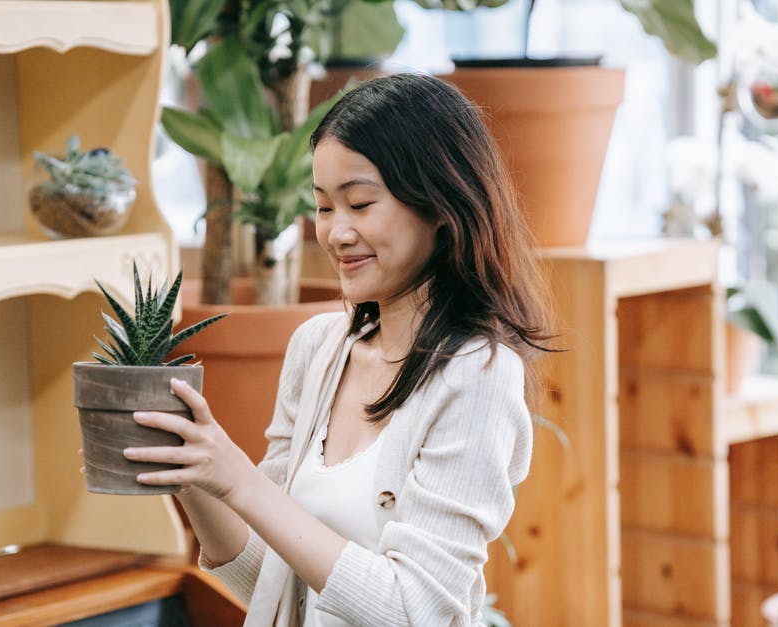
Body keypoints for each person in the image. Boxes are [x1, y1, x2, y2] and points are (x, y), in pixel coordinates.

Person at [124, 73, 554, 626]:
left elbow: (415, 610)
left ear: (441, 205)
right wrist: (192, 475)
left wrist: (239, 480)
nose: (335, 233)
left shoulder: (478, 375)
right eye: (324, 207)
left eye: (360, 203)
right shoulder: (317, 348)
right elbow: (272, 583)